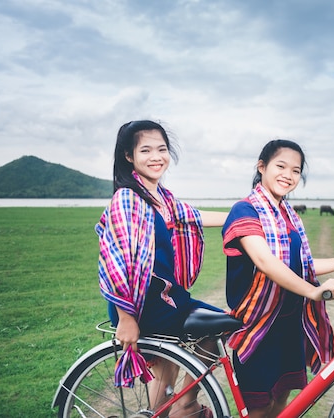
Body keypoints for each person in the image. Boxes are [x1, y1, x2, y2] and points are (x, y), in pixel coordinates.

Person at [222, 139, 334, 418]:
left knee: (282, 402)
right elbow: (266, 262)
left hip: (290, 323)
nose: (288, 176)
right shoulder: (245, 211)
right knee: (260, 407)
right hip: (259, 325)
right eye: (280, 166)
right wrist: (313, 292)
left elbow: (300, 265)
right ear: (262, 167)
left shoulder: (287, 215)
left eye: (295, 170)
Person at [95, 120, 226, 417]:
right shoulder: (127, 199)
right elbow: (116, 262)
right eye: (146, 150)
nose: (156, 156)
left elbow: (194, 216)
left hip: (169, 297)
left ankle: (176, 406)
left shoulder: (160, 198)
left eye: (162, 149)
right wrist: (126, 319)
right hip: (143, 305)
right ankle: (184, 407)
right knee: (214, 329)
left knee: (213, 331)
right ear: (129, 156)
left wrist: (243, 217)